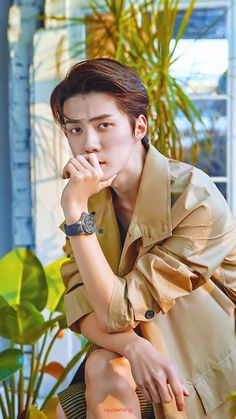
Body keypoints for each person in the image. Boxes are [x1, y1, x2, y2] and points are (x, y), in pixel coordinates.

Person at [50, 58, 236, 419]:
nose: (88, 144)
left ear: (139, 127)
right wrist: (133, 347)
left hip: (201, 360)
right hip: (133, 356)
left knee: (103, 370)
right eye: (74, 130)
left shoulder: (193, 199)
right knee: (105, 368)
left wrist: (75, 210)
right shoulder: (91, 199)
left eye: (104, 125)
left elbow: (118, 310)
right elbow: (79, 303)